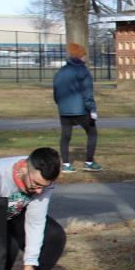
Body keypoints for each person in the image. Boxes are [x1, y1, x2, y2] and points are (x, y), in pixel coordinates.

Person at [53, 42, 101, 172]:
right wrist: (92, 110)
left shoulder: (60, 72)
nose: (85, 57)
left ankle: (66, 165)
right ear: (80, 56)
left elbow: (56, 92)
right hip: (81, 110)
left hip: (64, 110)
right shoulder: (83, 72)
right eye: (84, 55)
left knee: (65, 136)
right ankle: (89, 163)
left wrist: (60, 104)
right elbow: (88, 93)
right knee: (92, 133)